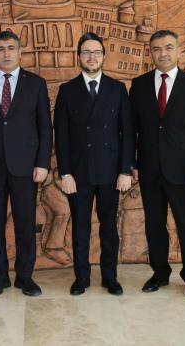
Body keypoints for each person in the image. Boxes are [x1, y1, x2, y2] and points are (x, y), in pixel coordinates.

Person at [0, 30, 52, 297]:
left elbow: (45, 127)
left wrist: (42, 163)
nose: (6, 53)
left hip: (25, 166)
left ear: (19, 51)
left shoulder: (36, 84)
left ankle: (25, 276)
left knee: (25, 223)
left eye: (11, 48)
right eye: (1, 49)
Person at [129, 29, 185, 298]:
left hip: (184, 171)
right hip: (150, 169)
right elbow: (132, 129)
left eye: (168, 47)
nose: (162, 53)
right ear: (150, 53)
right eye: (157, 49)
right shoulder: (139, 85)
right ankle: (159, 273)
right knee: (154, 225)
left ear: (178, 50)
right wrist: (132, 163)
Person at [54, 32, 134, 296]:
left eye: (96, 52)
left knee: (109, 227)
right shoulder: (67, 90)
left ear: (103, 56)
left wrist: (125, 170)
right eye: (86, 52)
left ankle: (110, 277)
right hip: (78, 173)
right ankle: (82, 277)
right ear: (79, 57)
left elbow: (128, 132)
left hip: (110, 172)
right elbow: (61, 135)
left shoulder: (117, 88)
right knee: (80, 227)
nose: (91, 57)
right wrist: (65, 172)